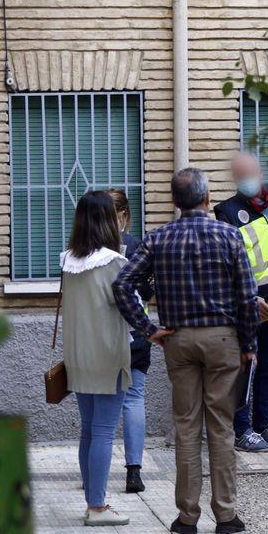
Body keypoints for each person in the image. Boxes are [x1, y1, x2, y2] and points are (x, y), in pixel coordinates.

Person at [113, 168, 259, 534]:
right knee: (222, 428)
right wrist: (249, 345)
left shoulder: (158, 238)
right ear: (208, 198)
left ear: (175, 202)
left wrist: (149, 329)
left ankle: (187, 517)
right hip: (224, 339)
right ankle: (226, 516)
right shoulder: (229, 235)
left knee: (186, 427)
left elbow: (122, 283)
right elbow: (245, 295)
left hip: (177, 340)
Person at [213, 151, 268, 453]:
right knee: (246, 365)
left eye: (250, 174)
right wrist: (249, 296)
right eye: (240, 176)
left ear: (260, 172)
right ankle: (243, 430)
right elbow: (228, 264)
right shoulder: (227, 211)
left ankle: (263, 425)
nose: (246, 181)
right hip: (249, 304)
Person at [63, 191, 134, 527]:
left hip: (78, 356)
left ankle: (93, 501)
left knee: (88, 432)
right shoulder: (115, 262)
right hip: (108, 355)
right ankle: (97, 507)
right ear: (110, 220)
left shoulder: (69, 261)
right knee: (104, 432)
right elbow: (132, 308)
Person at [106, 189, 154, 494]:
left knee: (100, 404)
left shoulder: (83, 248)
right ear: (125, 215)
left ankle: (93, 469)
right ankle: (133, 472)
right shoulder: (137, 246)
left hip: (98, 338)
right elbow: (148, 293)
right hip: (135, 334)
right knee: (134, 399)